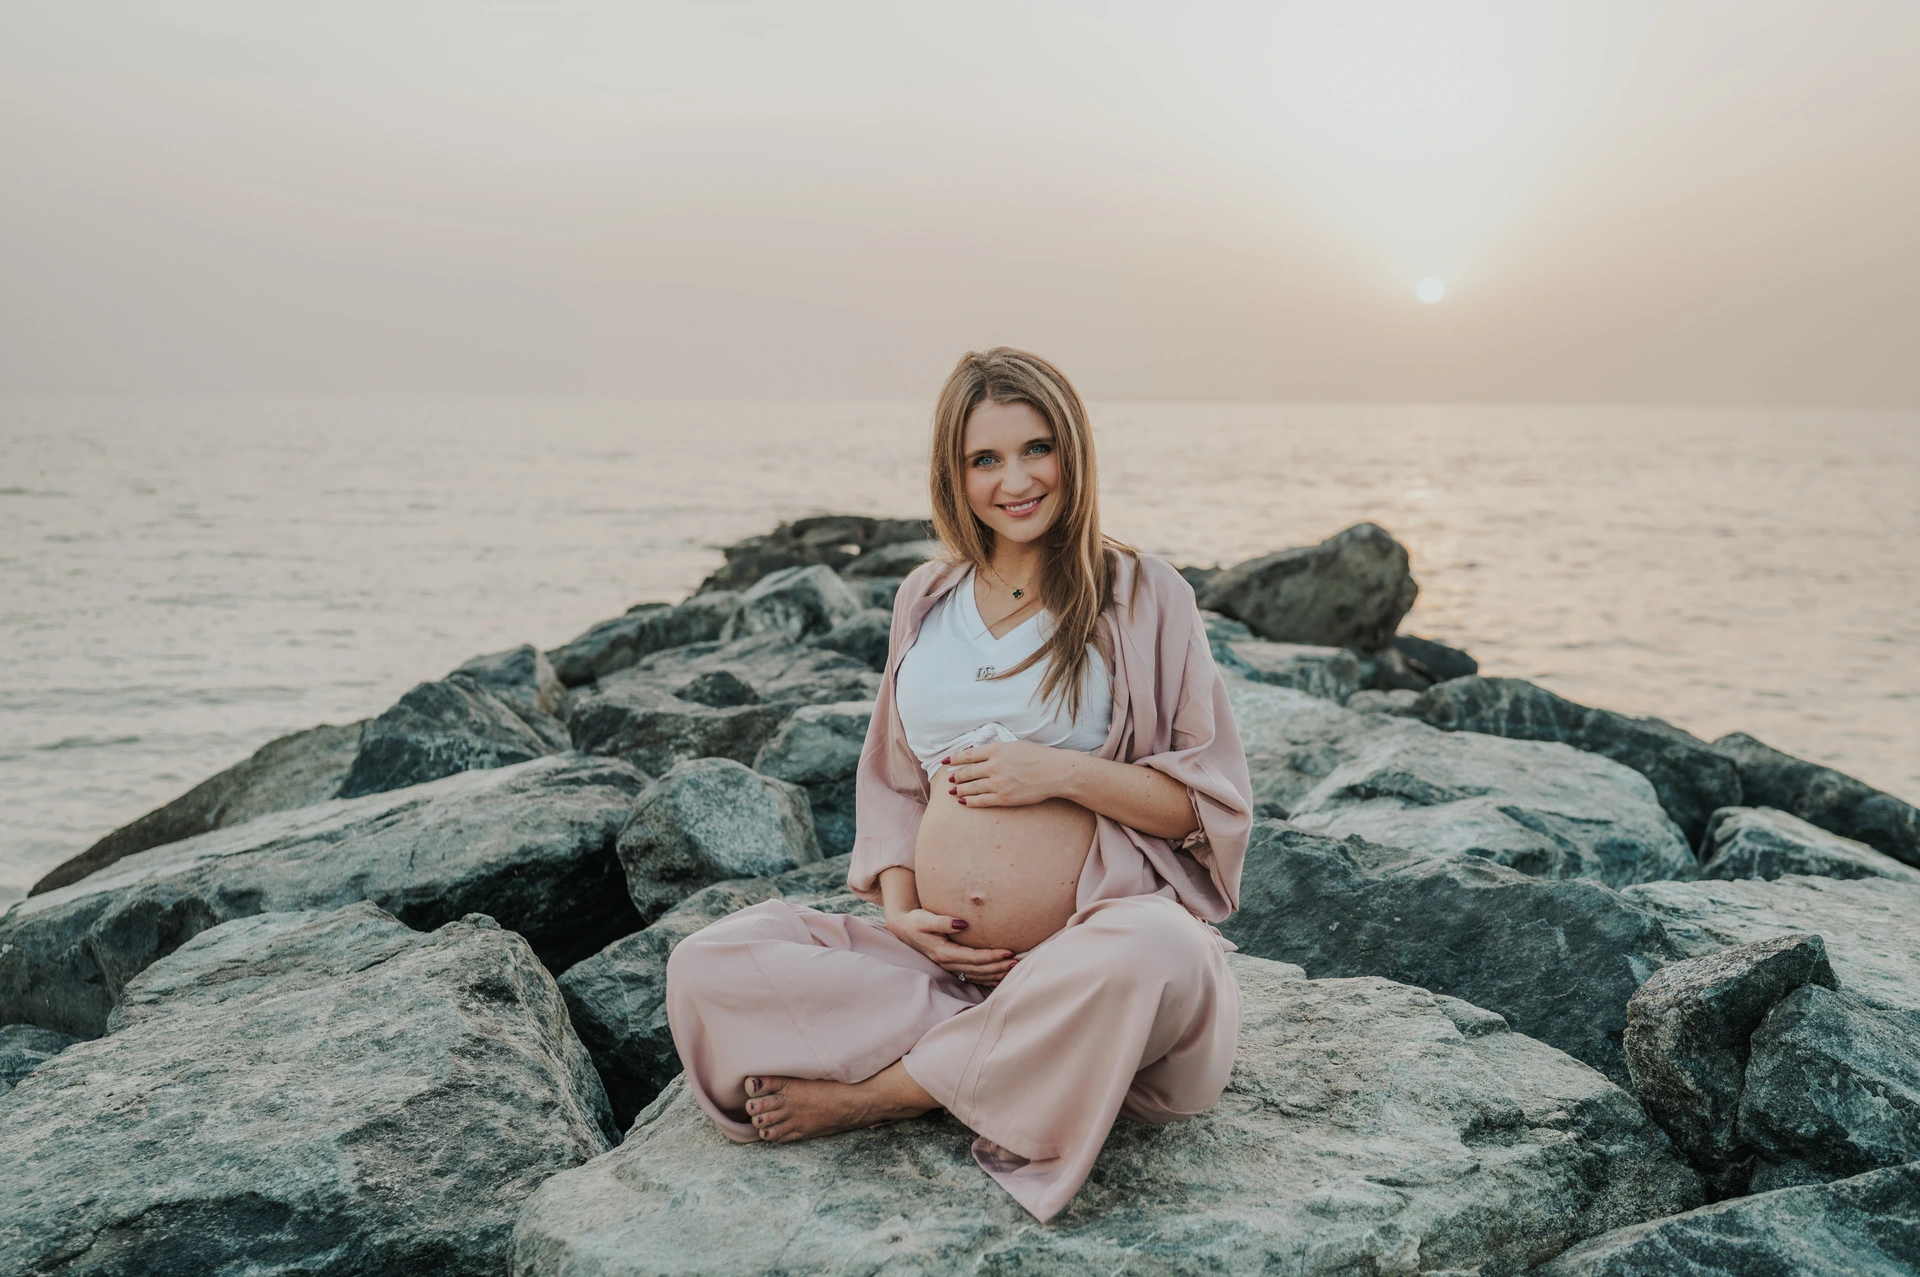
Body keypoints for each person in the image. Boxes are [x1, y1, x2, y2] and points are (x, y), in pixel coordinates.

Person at [665, 346, 1252, 1222]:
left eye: (1037, 448)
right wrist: (902, 910)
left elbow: (1205, 806)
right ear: (954, 471)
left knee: (1158, 950)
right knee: (706, 961)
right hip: (948, 974)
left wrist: (1061, 772)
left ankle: (898, 1088)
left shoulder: (1141, 593)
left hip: (1095, 961)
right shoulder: (927, 596)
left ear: (1075, 453)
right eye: (986, 458)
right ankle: (999, 1053)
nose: (1016, 479)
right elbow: (897, 784)